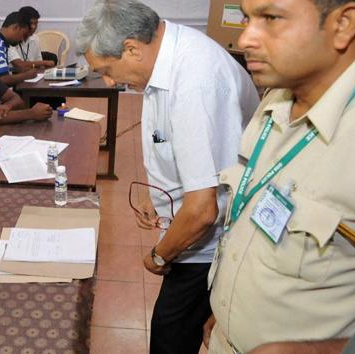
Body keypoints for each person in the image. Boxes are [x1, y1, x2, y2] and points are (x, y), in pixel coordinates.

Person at [75, 1, 259, 353]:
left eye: (107, 69)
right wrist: (158, 194)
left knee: (169, 341)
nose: (110, 81)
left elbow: (204, 210)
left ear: (131, 48)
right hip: (189, 232)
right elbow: (169, 140)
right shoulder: (165, 58)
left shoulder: (195, 82)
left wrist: (159, 256)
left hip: (205, 247)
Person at [203, 0, 355, 353]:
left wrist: (319, 351)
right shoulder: (281, 91)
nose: (245, 40)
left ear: (343, 24)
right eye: (246, 18)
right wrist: (226, 310)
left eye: (271, 18)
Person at [0, 11, 38, 86]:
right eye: (23, 35)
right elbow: (1, 80)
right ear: (16, 27)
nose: (22, 39)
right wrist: (27, 75)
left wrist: (15, 70)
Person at [8, 6, 56, 73]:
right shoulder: (11, 40)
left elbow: (40, 64)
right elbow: (19, 65)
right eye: (31, 23)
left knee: (53, 57)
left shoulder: (35, 38)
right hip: (15, 76)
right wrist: (45, 62)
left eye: (36, 23)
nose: (33, 27)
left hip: (31, 76)